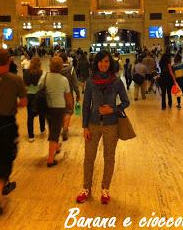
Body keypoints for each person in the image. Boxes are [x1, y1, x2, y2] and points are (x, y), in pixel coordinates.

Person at [76, 50, 129, 204]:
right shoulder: (91, 82)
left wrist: (112, 109)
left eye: (106, 61)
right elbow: (86, 105)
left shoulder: (117, 81)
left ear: (110, 63)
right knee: (89, 158)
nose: (103, 64)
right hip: (93, 124)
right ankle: (86, 188)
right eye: (101, 61)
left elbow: (126, 102)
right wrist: (85, 126)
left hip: (111, 125)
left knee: (109, 158)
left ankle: (105, 189)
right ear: (96, 63)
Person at [0, 48, 27, 216]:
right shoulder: (16, 80)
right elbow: (23, 103)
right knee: (5, 159)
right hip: (6, 125)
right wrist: (10, 105)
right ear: (9, 60)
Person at [38, 56, 73, 167]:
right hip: (58, 109)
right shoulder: (63, 80)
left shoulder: (45, 76)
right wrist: (71, 107)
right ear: (61, 67)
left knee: (53, 130)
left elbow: (38, 88)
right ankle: (50, 160)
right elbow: (68, 98)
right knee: (54, 133)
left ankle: (56, 146)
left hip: (46, 108)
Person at [23, 57, 46, 142]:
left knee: (30, 116)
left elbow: (25, 85)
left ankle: (31, 136)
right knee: (41, 113)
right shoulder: (42, 73)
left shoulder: (26, 73)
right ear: (39, 64)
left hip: (29, 95)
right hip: (39, 95)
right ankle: (42, 129)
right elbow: (43, 85)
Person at [60, 52, 80, 141]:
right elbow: (75, 84)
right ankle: (65, 128)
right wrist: (78, 94)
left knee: (60, 112)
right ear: (67, 59)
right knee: (68, 111)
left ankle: (63, 127)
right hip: (69, 94)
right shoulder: (71, 69)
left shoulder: (56, 69)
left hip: (57, 95)